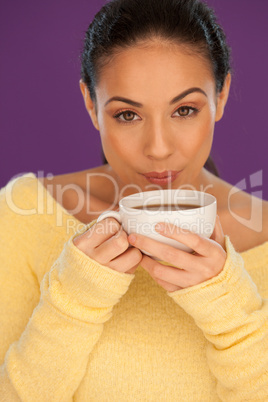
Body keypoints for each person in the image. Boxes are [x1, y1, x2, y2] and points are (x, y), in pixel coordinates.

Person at [0, 0, 267, 400]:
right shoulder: (25, 213)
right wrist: (73, 300)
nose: (158, 148)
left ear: (222, 95)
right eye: (127, 115)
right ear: (91, 104)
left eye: (185, 109)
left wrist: (231, 311)